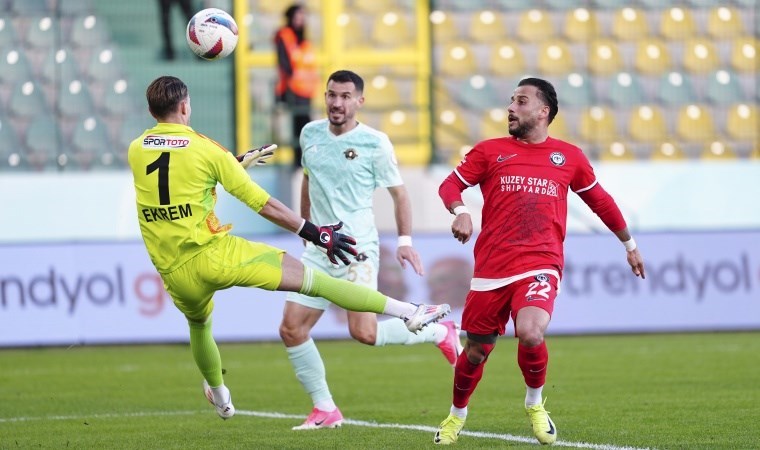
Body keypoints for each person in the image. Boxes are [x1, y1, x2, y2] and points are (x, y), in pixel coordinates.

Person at [127, 75, 451, 420]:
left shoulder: (136, 150)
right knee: (313, 283)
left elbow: (180, 178)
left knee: (200, 326)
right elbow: (262, 203)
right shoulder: (208, 149)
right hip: (217, 255)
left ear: (150, 110)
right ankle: (409, 312)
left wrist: (231, 165)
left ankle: (220, 396)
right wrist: (315, 233)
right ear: (185, 107)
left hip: (174, 272)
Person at [432, 77, 646, 445]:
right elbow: (449, 185)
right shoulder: (489, 151)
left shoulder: (569, 157)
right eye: (511, 100)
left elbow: (600, 201)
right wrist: (460, 210)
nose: (511, 108)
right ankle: (457, 414)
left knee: (531, 332)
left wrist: (629, 244)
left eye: (521, 101)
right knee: (477, 351)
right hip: (491, 268)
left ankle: (534, 404)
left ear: (543, 111)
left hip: (540, 262)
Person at [278, 70, 464, 431]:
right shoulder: (309, 133)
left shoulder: (375, 143)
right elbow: (309, 178)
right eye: (332, 94)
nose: (336, 102)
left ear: (359, 101)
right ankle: (325, 409)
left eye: (346, 96)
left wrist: (406, 242)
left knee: (363, 332)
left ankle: (440, 332)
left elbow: (399, 193)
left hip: (357, 248)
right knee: (291, 329)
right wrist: (306, 228)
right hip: (319, 247)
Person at [274, 3, 318, 168]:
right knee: (299, 124)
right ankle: (298, 160)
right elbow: (284, 62)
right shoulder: (284, 35)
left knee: (305, 124)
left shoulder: (304, 40)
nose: (301, 20)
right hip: (292, 89)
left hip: (306, 90)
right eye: (298, 16)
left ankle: (304, 159)